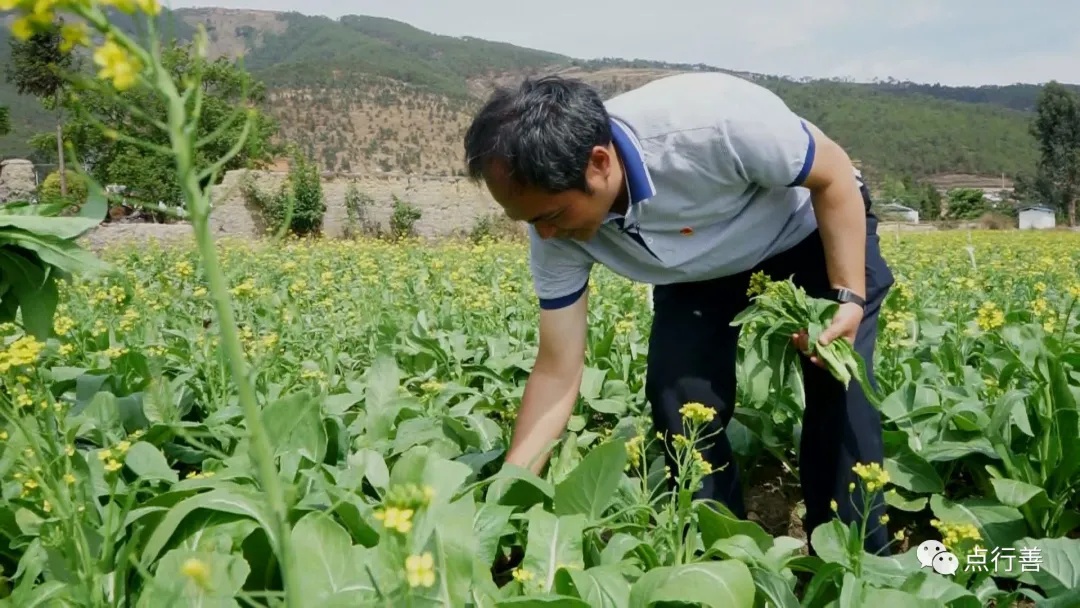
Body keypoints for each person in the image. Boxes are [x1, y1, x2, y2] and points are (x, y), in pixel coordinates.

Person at [462, 71, 894, 555]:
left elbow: (833, 172)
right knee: (679, 398)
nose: (543, 236)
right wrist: (501, 502)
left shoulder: (715, 124)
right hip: (700, 271)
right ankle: (721, 554)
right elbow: (557, 370)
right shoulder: (554, 230)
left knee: (840, 382)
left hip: (809, 231)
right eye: (530, 222)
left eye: (551, 217)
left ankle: (855, 560)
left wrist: (848, 296)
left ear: (599, 163)